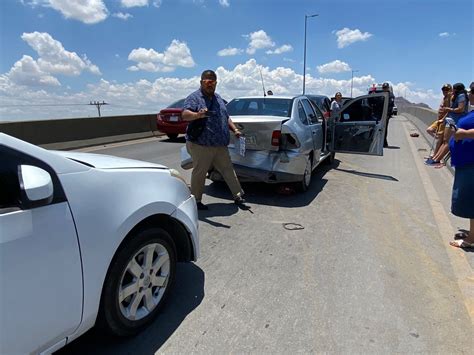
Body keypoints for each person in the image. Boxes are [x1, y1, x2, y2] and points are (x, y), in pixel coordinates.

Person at [182, 70, 245, 210]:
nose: (210, 84)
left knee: (228, 169)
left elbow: (226, 117)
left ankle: (238, 195)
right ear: (201, 82)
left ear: (216, 83)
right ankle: (196, 201)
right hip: (201, 144)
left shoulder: (218, 98)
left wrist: (234, 129)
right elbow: (185, 115)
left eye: (213, 82)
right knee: (200, 172)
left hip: (220, 144)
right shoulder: (194, 98)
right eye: (207, 81)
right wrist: (198, 115)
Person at [448, 110, 474, 249]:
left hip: (471, 163)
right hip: (467, 162)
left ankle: (471, 239)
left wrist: (463, 134)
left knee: (471, 200)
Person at [428, 82, 469, 167]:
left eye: (453, 89)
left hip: (456, 120)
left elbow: (460, 109)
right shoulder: (455, 96)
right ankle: (435, 158)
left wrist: (448, 109)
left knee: (447, 142)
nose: (452, 90)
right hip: (450, 119)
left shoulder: (461, 96)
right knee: (445, 140)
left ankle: (437, 159)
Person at [425, 84, 452, 163]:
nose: (444, 91)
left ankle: (434, 156)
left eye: (447, 90)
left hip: (443, 121)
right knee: (429, 130)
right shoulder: (445, 98)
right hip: (439, 120)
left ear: (450, 90)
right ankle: (435, 155)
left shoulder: (449, 98)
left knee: (439, 140)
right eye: (443, 90)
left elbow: (448, 111)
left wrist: (443, 119)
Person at [382, 82, 395, 147]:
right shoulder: (380, 94)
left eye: (386, 88)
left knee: (384, 128)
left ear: (388, 88)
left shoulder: (390, 95)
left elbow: (391, 105)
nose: (385, 89)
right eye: (384, 88)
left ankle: (384, 142)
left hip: (386, 114)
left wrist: (388, 114)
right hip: (379, 115)